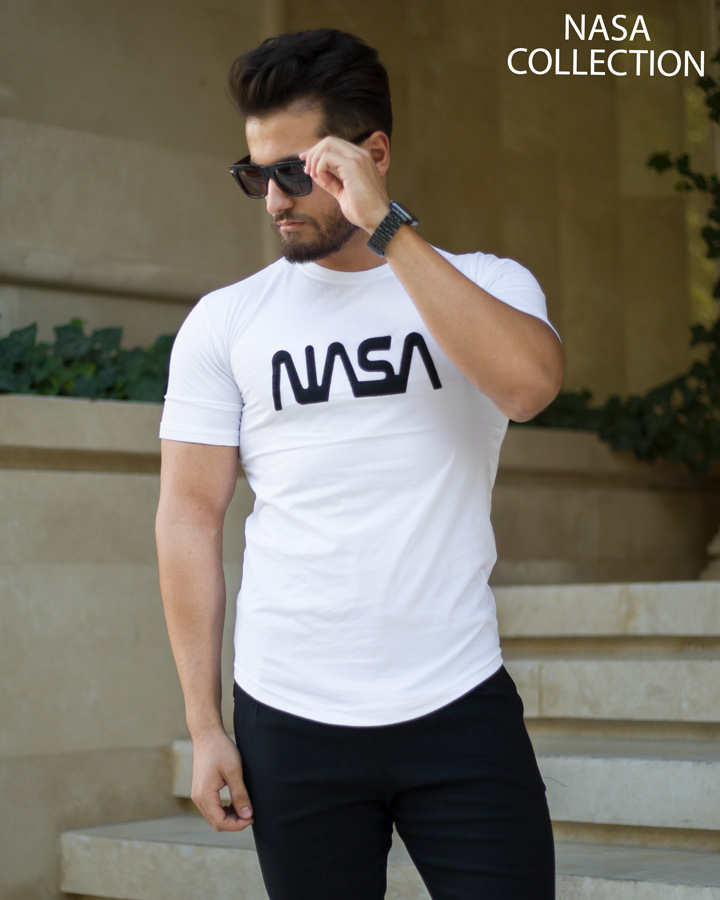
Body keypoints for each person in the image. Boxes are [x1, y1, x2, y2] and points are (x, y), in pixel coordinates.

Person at [156, 27, 564, 900]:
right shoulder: (226, 321)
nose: (274, 198)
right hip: (288, 714)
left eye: (295, 171)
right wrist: (204, 724)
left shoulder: (487, 283)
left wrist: (388, 228)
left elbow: (529, 386)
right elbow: (189, 516)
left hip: (458, 701)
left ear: (372, 156)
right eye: (255, 175)